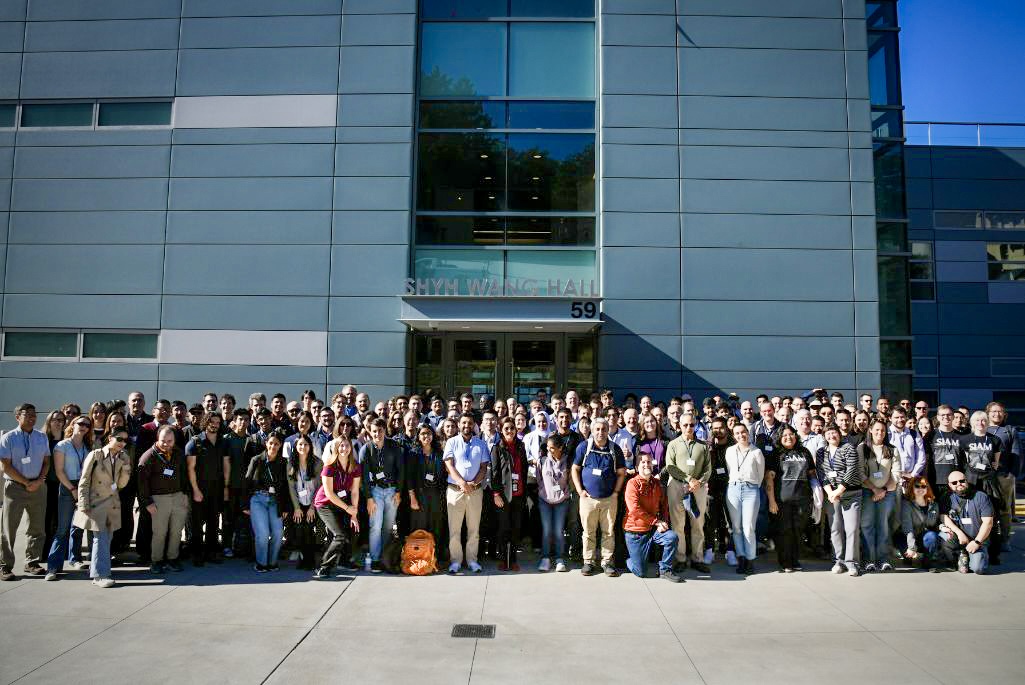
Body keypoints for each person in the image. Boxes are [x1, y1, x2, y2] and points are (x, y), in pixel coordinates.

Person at [73, 427, 132, 588]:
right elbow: (83, 481)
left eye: (125, 440)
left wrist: (126, 468)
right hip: (95, 503)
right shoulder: (96, 455)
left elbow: (120, 484)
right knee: (101, 539)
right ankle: (100, 575)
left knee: (106, 539)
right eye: (119, 439)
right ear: (110, 438)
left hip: (112, 503)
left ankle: (96, 568)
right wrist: (83, 503)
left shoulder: (122, 457)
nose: (122, 443)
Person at [0, 403, 51, 581]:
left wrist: (38, 481)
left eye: (34, 414)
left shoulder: (41, 437)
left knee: (37, 527)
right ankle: (4, 566)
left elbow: (46, 462)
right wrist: (26, 482)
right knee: (9, 528)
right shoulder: (8, 438)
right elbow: (5, 465)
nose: (32, 417)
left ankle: (32, 562)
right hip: (15, 487)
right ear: (17, 417)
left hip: (38, 487)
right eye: (27, 414)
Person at [572, 417, 627, 577]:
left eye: (604, 429)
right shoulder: (584, 447)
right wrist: (580, 490)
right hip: (588, 499)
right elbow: (574, 469)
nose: (600, 432)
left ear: (608, 430)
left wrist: (616, 493)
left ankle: (607, 562)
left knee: (608, 532)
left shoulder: (614, 449)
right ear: (592, 430)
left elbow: (621, 473)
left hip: (609, 499)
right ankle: (588, 562)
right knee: (588, 532)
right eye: (597, 429)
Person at [44, 416, 93, 580]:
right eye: (81, 423)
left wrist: (81, 489)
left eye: (87, 425)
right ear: (73, 424)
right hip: (67, 486)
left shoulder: (87, 447)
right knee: (62, 529)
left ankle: (75, 559)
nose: (84, 427)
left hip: (83, 486)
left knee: (78, 527)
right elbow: (59, 471)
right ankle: (53, 567)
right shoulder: (62, 445)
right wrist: (72, 489)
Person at [623, 453, 683, 583]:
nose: (646, 464)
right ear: (637, 466)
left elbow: (663, 506)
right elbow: (634, 509)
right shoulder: (632, 484)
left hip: (652, 529)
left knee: (671, 537)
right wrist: (656, 521)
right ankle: (629, 560)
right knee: (641, 572)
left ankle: (665, 570)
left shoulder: (657, 483)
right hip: (636, 532)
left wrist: (664, 523)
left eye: (649, 462)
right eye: (643, 462)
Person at [138, 425, 189, 573]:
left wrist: (185, 494)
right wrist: (147, 502)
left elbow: (184, 475)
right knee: (160, 532)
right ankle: (156, 561)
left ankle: (173, 559)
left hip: (178, 497)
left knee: (176, 531)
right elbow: (142, 483)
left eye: (170, 440)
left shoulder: (178, 453)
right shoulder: (148, 457)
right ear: (157, 439)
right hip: (159, 499)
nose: (166, 444)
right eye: (163, 441)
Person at [663, 414, 711, 573]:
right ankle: (680, 558)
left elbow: (708, 469)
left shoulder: (702, 445)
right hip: (677, 487)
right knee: (678, 525)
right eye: (685, 425)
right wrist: (688, 479)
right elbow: (670, 466)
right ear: (680, 426)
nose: (688, 428)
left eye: (691, 425)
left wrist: (698, 482)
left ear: (695, 425)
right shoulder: (673, 444)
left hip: (697, 489)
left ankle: (698, 558)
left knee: (698, 524)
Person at [444, 413, 490, 574]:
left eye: (469, 423)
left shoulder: (481, 444)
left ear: (474, 425)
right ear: (458, 424)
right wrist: (463, 483)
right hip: (455, 491)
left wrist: (473, 483)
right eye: (463, 423)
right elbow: (449, 466)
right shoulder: (451, 442)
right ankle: (455, 561)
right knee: (454, 530)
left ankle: (472, 560)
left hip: (475, 492)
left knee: (473, 529)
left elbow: (484, 467)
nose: (466, 426)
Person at [957, 411, 1004, 564]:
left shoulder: (995, 440)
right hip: (971, 480)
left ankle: (993, 552)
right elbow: (963, 460)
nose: (981, 423)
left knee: (992, 515)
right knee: (970, 512)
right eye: (977, 420)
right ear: (972, 422)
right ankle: (968, 548)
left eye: (983, 420)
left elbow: (996, 463)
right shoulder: (965, 440)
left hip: (989, 481)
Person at [359, 418, 405, 572]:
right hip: (375, 491)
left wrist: (398, 491)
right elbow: (364, 477)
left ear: (385, 430)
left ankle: (386, 557)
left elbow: (401, 470)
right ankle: (375, 559)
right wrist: (368, 498)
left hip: (392, 491)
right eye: (374, 431)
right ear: (369, 432)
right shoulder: (366, 449)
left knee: (387, 526)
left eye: (380, 430)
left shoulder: (394, 446)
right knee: (375, 526)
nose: (377, 433)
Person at [769, 424, 816, 572]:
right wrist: (771, 500)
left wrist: (816, 495)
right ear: (779, 438)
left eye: (791, 434)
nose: (788, 438)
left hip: (803, 499)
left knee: (798, 530)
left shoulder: (805, 452)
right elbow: (769, 478)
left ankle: (795, 560)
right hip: (782, 500)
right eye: (784, 436)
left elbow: (812, 474)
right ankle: (785, 561)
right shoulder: (776, 453)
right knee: (785, 530)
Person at [818, 423, 862, 577]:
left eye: (834, 432)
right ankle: (839, 561)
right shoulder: (821, 452)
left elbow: (851, 470)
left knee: (851, 529)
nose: (831, 436)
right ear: (824, 436)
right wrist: (830, 492)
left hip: (851, 494)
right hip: (832, 496)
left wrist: (839, 490)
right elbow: (821, 474)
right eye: (828, 433)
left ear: (839, 433)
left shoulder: (849, 447)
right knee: (835, 529)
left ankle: (852, 563)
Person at [313, 437, 361, 579]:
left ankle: (344, 562)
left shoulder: (356, 466)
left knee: (353, 529)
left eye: (346, 446)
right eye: (340, 446)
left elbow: (355, 491)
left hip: (343, 502)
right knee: (339, 535)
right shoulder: (329, 466)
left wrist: (354, 514)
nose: (344, 449)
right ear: (336, 448)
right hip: (325, 503)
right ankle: (323, 566)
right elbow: (329, 493)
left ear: (351, 448)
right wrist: (348, 509)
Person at [858, 419, 902, 572]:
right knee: (867, 525)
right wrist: (874, 490)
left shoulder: (892, 449)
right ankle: (868, 560)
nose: (879, 433)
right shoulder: (863, 448)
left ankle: (883, 559)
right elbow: (860, 473)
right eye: (876, 430)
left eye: (883, 430)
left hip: (887, 493)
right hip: (867, 492)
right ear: (870, 430)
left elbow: (896, 473)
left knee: (882, 526)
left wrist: (882, 490)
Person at [244, 431, 291, 573]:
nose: (273, 446)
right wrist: (245, 505)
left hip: (275, 501)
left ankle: (272, 562)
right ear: (266, 443)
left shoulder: (283, 463)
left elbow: (286, 487)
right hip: (258, 499)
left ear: (280, 445)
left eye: (276, 444)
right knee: (262, 534)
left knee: (278, 533)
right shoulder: (257, 460)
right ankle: (261, 563)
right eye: (271, 443)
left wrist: (286, 507)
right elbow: (247, 482)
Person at [185, 413, 227, 566]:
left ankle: (211, 552)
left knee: (213, 521)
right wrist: (196, 490)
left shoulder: (222, 442)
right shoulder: (195, 442)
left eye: (217, 422)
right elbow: (190, 469)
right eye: (212, 421)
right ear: (205, 422)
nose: (215, 424)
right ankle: (197, 553)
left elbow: (225, 465)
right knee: (196, 522)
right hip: (199, 486)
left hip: (216, 486)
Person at [724, 423, 764, 575]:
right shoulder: (729, 451)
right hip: (733, 489)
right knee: (736, 527)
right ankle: (741, 558)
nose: (741, 435)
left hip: (751, 490)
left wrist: (750, 484)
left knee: (748, 527)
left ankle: (750, 559)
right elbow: (730, 470)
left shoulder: (756, 452)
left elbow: (760, 475)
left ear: (748, 433)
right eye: (737, 433)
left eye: (743, 432)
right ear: (733, 436)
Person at [490, 417, 528, 571]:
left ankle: (512, 560)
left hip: (518, 493)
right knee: (503, 528)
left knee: (515, 529)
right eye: (506, 428)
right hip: (503, 495)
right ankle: (502, 559)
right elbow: (494, 473)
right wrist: (496, 494)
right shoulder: (497, 447)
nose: (510, 431)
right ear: (501, 430)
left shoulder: (521, 446)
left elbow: (524, 470)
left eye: (512, 428)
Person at [406, 424, 448, 563]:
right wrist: (412, 498)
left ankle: (435, 557)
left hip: (436, 495)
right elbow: (409, 478)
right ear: (418, 437)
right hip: (419, 495)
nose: (426, 436)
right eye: (423, 433)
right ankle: (419, 558)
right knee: (420, 526)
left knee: (436, 526)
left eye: (429, 433)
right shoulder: (413, 454)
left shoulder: (439, 453)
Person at [939, 470, 994, 574]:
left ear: (967, 481)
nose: (959, 484)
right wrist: (959, 533)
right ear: (950, 485)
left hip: (977, 540)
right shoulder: (947, 497)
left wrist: (977, 542)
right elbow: (944, 517)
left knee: (978, 569)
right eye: (954, 482)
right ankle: (959, 557)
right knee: (943, 536)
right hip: (959, 538)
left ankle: (972, 557)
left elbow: (988, 523)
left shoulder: (981, 497)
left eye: (961, 481)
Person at [287, 434, 324, 570]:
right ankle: (303, 558)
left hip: (312, 503)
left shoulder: (317, 462)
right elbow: (291, 487)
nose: (303, 447)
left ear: (310, 446)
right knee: (299, 531)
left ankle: (310, 560)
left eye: (306, 444)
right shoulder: (291, 463)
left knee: (309, 530)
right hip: (298, 503)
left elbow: (320, 487)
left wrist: (312, 507)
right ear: (296, 447)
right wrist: (297, 507)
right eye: (300, 444)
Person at [537, 434, 571, 572]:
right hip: (544, 500)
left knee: (558, 531)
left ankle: (559, 558)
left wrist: (563, 493)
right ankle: (545, 558)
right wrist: (544, 491)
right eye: (547, 448)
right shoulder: (542, 459)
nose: (549, 450)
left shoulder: (568, 461)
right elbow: (539, 478)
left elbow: (570, 479)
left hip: (562, 501)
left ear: (560, 448)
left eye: (552, 448)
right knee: (547, 530)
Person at [900, 477, 941, 572]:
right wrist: (912, 547)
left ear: (927, 488)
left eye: (923, 486)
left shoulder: (934, 505)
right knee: (908, 557)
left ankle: (927, 560)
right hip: (907, 537)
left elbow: (936, 523)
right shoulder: (906, 504)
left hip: (924, 536)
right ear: (912, 488)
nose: (920, 489)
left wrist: (942, 527)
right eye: (917, 486)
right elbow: (907, 527)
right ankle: (908, 555)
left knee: (932, 536)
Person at [41, 410, 67, 559]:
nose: (58, 422)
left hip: (63, 484)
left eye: (61, 420)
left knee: (60, 520)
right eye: (55, 419)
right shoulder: (43, 439)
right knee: (46, 519)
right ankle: (44, 552)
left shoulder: (66, 440)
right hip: (47, 484)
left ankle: (59, 552)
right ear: (49, 421)